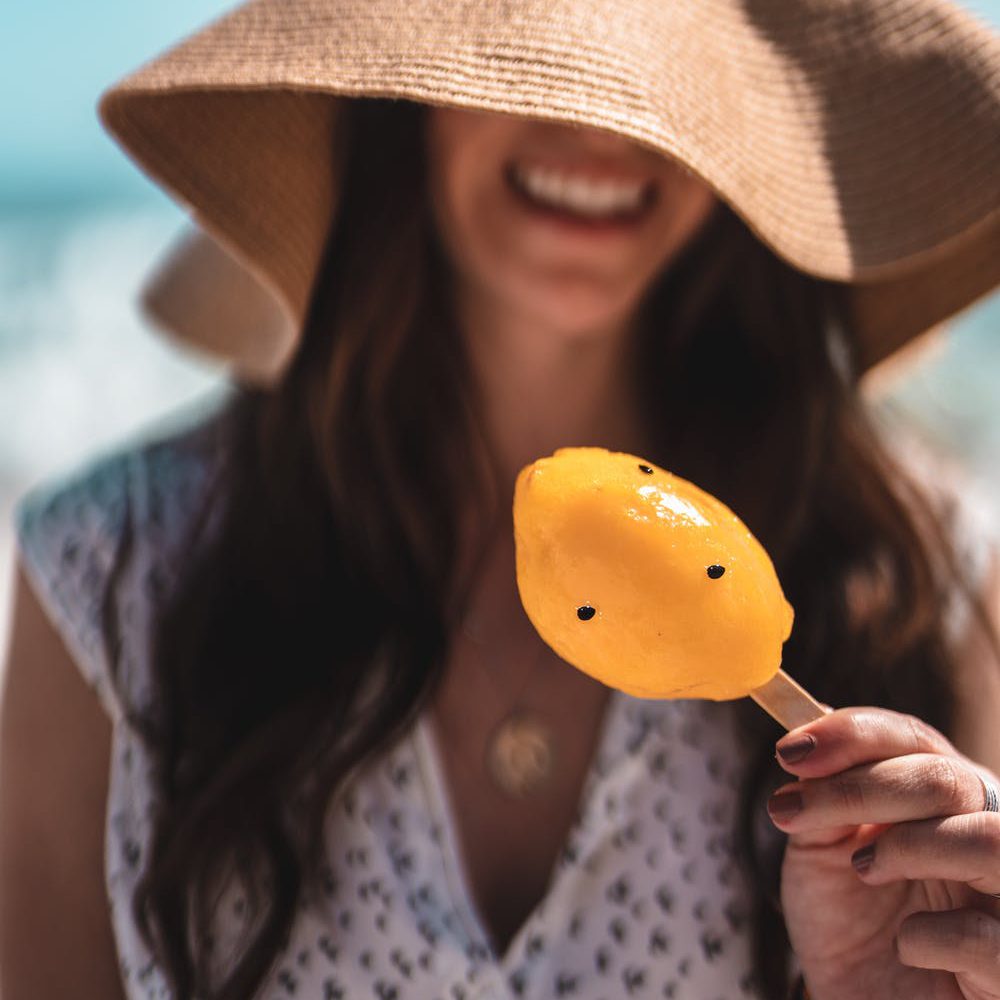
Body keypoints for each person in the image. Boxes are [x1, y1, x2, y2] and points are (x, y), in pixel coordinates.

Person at [2, 1, 999, 998]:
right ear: (404, 94)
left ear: (740, 130)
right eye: (530, 66)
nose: (597, 131)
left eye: (655, 77)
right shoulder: (112, 574)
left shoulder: (927, 584)